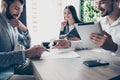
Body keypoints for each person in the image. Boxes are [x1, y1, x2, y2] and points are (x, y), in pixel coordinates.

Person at [53, 0, 120, 55]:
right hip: (103, 67)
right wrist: (68, 43)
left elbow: (114, 49)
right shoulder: (101, 23)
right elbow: (89, 43)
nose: (98, 7)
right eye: (96, 3)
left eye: (102, 2)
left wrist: (114, 47)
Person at [0, 0, 45, 80]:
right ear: (4, 5)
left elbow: (26, 44)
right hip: (3, 75)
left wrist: (24, 29)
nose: (18, 15)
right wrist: (26, 54)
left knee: (43, 66)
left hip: (12, 69)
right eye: (16, 8)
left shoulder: (11, 24)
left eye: (20, 11)